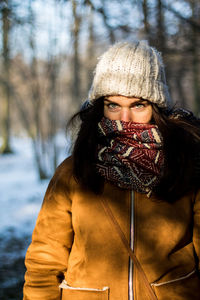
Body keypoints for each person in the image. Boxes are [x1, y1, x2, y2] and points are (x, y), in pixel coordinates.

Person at [23, 41, 200, 300]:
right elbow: (45, 259)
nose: (124, 119)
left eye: (138, 105)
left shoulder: (185, 164)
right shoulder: (74, 170)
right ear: (99, 107)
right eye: (113, 105)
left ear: (157, 107)